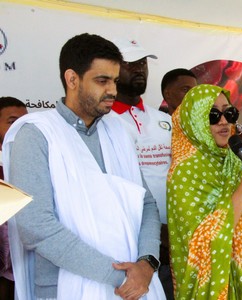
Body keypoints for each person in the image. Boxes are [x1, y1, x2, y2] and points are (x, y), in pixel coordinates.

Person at [2, 33, 164, 300]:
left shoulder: (117, 132)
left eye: (114, 80)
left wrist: (147, 264)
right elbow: (36, 227)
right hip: (65, 288)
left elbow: (145, 203)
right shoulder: (36, 134)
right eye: (102, 81)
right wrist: (121, 276)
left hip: (136, 286)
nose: (112, 90)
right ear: (72, 79)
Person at [167, 84, 242, 299]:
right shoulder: (185, 172)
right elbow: (198, 245)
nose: (223, 122)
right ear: (195, 120)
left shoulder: (237, 160)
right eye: (212, 115)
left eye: (229, 113)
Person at [111, 37, 174, 300]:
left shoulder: (164, 119)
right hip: (132, 237)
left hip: (176, 233)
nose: (139, 68)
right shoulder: (104, 123)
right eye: (130, 63)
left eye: (143, 63)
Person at [0, 96, 27, 300]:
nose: (19, 127)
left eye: (23, 122)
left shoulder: (31, 159)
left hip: (25, 258)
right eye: (12, 121)